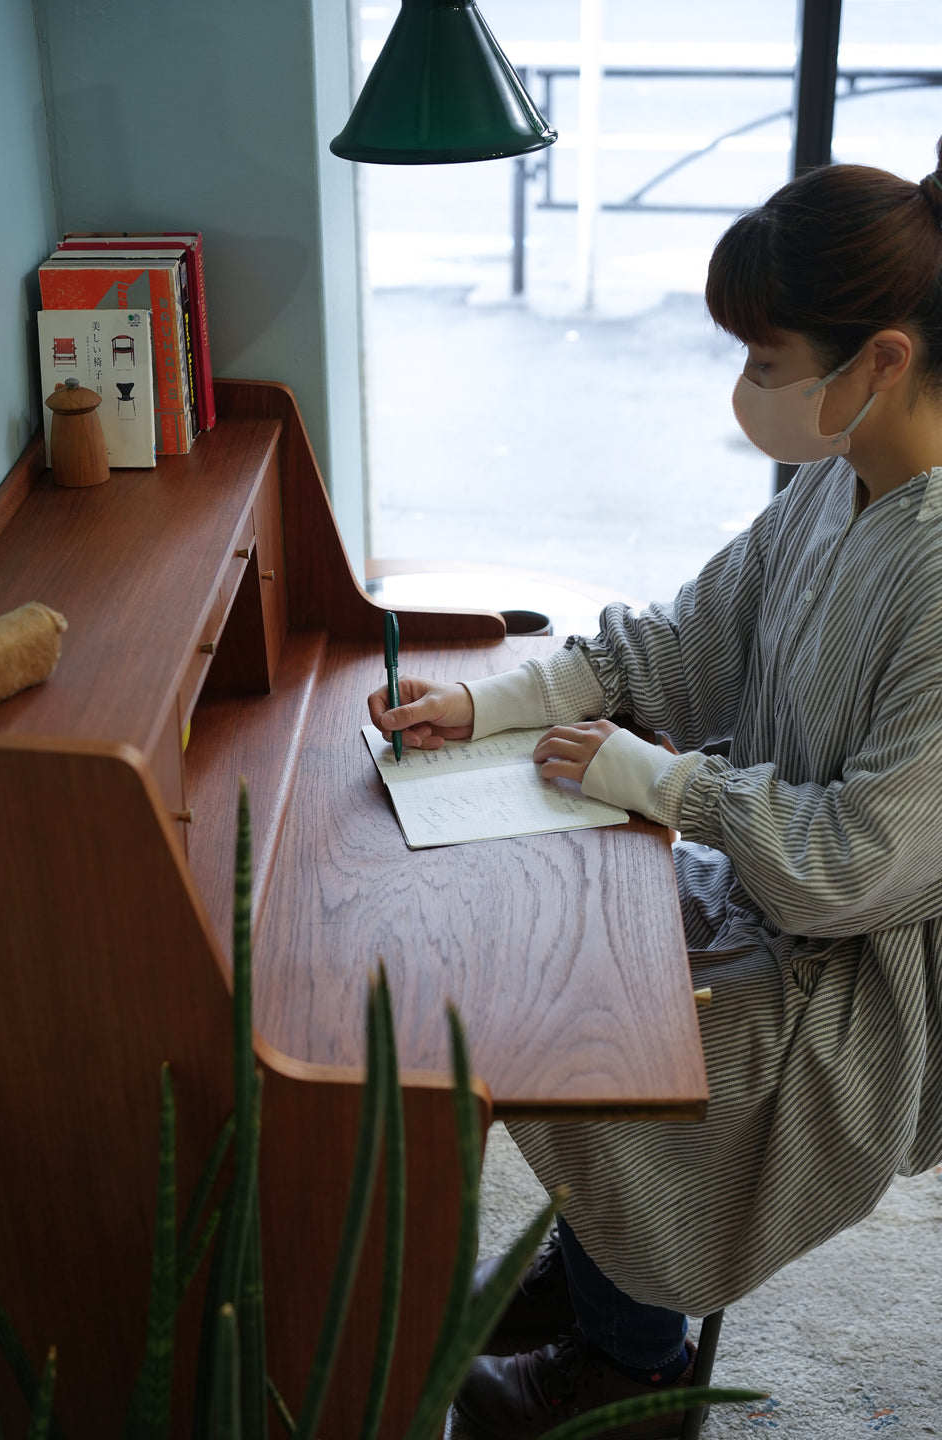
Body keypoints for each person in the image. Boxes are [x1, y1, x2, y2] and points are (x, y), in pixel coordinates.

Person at [367, 137, 942, 1440]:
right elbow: (681, 643)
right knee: (542, 923)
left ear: (883, 362)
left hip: (865, 980)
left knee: (595, 1045)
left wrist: (659, 780)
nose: (747, 395)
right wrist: (489, 705)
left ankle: (632, 1367)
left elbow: (856, 865)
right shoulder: (839, 485)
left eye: (764, 365)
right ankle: (594, 1288)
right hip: (766, 877)